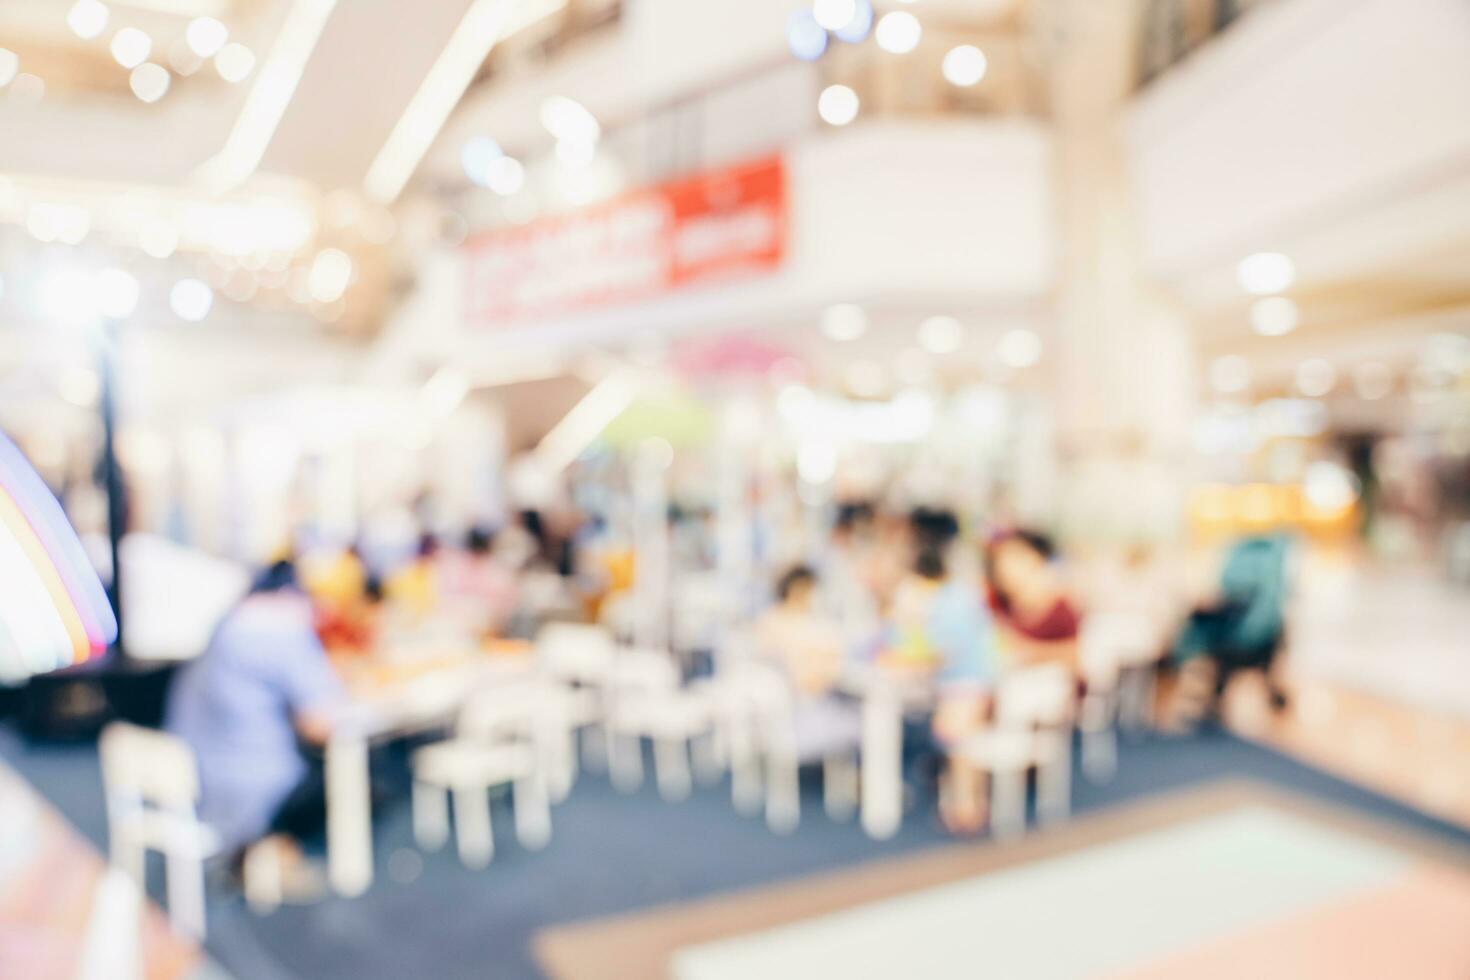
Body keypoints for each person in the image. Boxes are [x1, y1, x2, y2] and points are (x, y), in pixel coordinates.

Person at [165, 559, 346, 889]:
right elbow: (321, 725)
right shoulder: (282, 629)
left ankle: (256, 851)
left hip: (190, 770)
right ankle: (277, 852)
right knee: (348, 767)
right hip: (251, 782)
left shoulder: (227, 621)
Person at [884, 540, 999, 834]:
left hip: (968, 683)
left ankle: (968, 808)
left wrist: (908, 660)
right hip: (963, 683)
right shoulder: (951, 598)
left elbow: (944, 650)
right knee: (959, 745)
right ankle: (965, 803)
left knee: (962, 746)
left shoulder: (952, 602)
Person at [985, 529, 1082, 669]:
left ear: (1037, 558)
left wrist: (1029, 651)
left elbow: (1077, 657)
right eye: (999, 561)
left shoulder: (1060, 609)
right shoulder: (1000, 606)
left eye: (1016, 558)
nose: (1006, 568)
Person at [755, 565, 846, 696]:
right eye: (808, 588)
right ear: (795, 588)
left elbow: (834, 657)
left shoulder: (817, 621)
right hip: (788, 694)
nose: (811, 595)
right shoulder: (773, 620)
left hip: (822, 692)